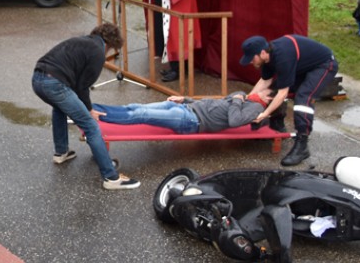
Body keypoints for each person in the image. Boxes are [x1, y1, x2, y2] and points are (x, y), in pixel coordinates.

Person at [32, 22, 141, 190]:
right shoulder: (98, 52)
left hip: (38, 79)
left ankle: (61, 153)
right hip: (54, 83)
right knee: (91, 127)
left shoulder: (83, 41)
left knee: (59, 108)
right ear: (111, 44)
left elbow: (76, 84)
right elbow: (82, 86)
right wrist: (89, 110)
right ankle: (111, 177)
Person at [240, 34, 338, 166]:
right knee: (272, 89)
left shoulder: (282, 58)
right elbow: (265, 81)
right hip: (303, 66)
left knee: (303, 97)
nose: (250, 62)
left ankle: (302, 145)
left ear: (262, 53)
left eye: (252, 58)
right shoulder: (267, 58)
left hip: (324, 65)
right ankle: (277, 124)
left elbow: (282, 94)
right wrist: (248, 99)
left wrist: (264, 114)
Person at [93, 91, 271, 134]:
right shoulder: (246, 98)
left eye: (264, 92)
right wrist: (185, 99)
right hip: (186, 108)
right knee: (135, 106)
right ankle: (94, 107)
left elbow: (233, 120)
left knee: (140, 114)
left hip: (191, 121)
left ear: (269, 100)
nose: (259, 90)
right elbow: (213, 104)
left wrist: (238, 100)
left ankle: (101, 116)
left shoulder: (256, 109)